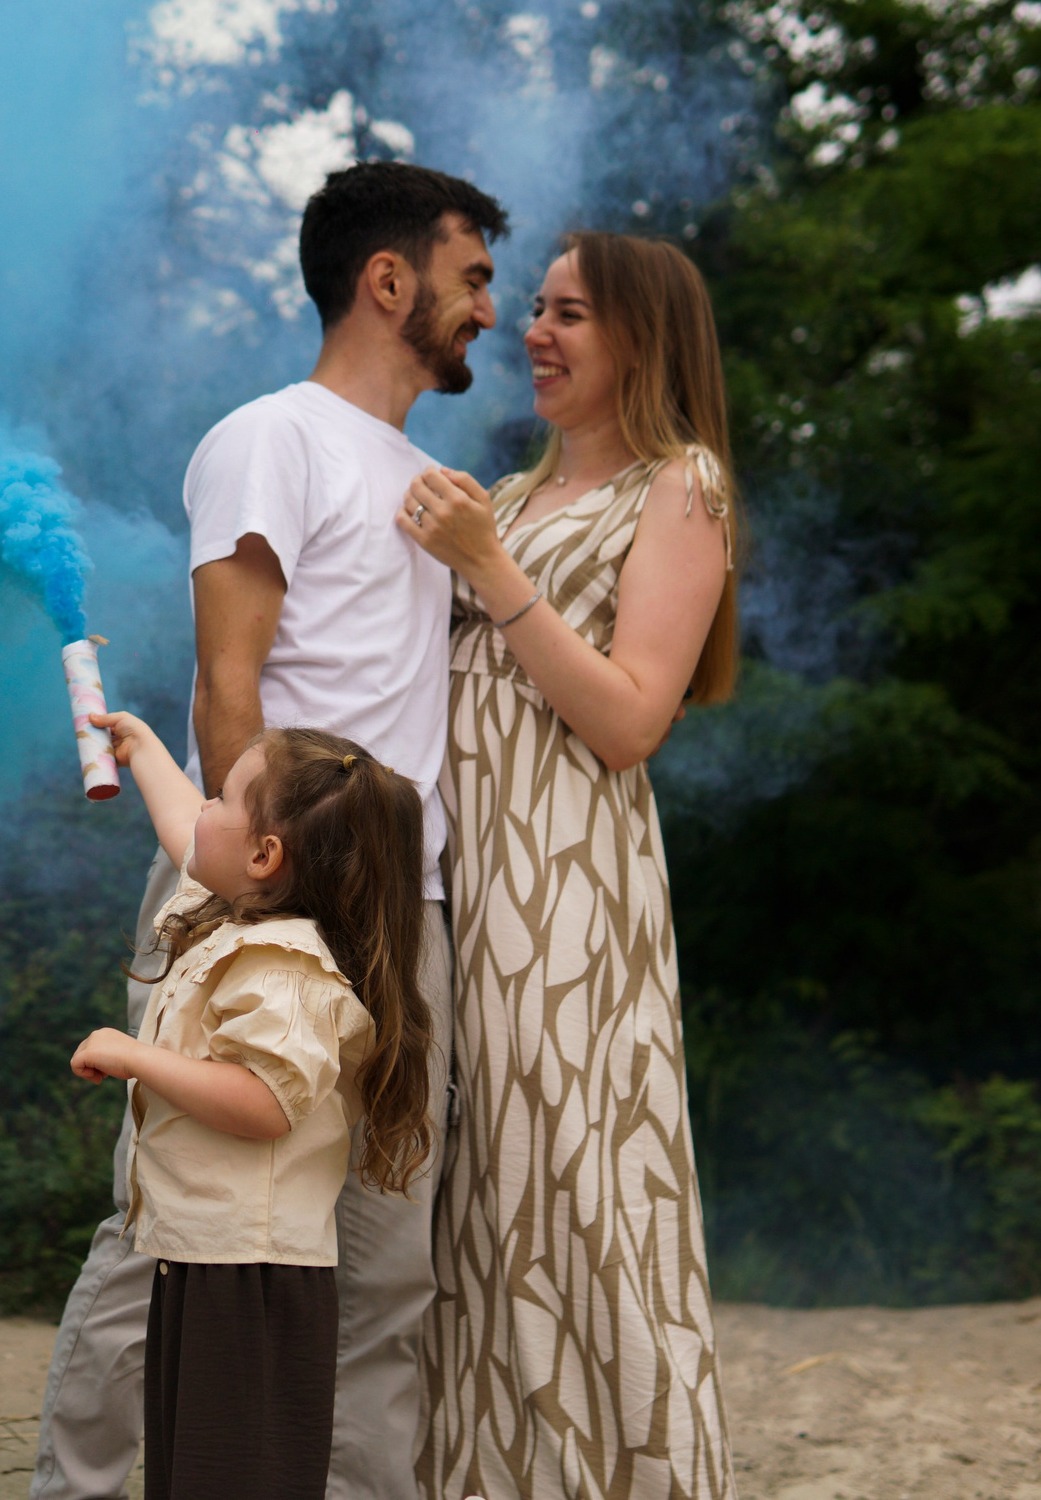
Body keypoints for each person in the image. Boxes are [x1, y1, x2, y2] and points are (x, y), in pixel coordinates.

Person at [33, 158, 506, 1500]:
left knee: (385, 1251)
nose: (488, 306)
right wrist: (260, 906)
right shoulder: (271, 437)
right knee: (176, 1232)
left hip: (400, 909)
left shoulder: (430, 477)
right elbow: (225, 683)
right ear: (388, 279)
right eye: (472, 275)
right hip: (263, 900)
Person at [397, 232, 741, 1498]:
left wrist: (488, 572)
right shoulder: (507, 489)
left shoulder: (679, 485)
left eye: (570, 315)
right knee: (472, 1203)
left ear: (643, 338)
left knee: (578, 1197)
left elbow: (633, 720)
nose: (532, 333)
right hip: (460, 876)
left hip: (567, 894)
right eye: (533, 309)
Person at [70, 709, 434, 1500]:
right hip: (206, 1258)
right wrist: (145, 752)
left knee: (232, 1475)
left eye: (224, 799)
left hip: (252, 1278)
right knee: (192, 1469)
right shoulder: (239, 917)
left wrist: (139, 1057)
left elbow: (266, 1100)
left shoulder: (284, 970)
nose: (204, 810)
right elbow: (186, 832)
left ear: (266, 855)